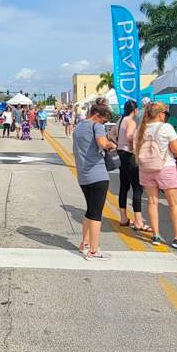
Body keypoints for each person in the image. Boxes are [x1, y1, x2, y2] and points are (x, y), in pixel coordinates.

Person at [135, 102, 177, 250]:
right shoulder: (166, 127)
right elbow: (176, 149)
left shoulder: (140, 129)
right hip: (165, 167)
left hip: (145, 168)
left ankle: (155, 235)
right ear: (161, 114)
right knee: (174, 204)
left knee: (152, 203)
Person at [72, 98, 117, 260]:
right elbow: (102, 143)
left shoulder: (78, 127)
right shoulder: (96, 126)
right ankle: (93, 250)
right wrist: (111, 145)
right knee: (97, 214)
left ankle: (84, 244)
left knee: (90, 210)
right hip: (98, 175)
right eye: (103, 120)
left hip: (83, 175)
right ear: (97, 115)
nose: (103, 123)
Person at [116, 100, 150, 233]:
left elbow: (112, 134)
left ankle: (123, 218)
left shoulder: (120, 120)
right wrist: (134, 147)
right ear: (135, 110)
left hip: (121, 154)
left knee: (124, 187)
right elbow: (130, 137)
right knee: (137, 188)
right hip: (129, 155)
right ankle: (139, 221)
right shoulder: (131, 122)